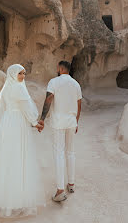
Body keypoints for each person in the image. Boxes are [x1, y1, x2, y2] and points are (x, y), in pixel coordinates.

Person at [0, 64, 45, 217]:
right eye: (20, 73)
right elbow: (26, 107)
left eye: (24, 73)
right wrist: (35, 123)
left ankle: (1, 198)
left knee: (6, 157)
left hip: (7, 122)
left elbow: (2, 108)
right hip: (17, 123)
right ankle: (16, 201)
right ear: (13, 74)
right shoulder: (19, 88)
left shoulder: (7, 88)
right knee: (17, 157)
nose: (23, 76)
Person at [38, 61, 82, 202]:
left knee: (58, 154)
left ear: (60, 68)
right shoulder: (76, 84)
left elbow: (49, 99)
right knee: (70, 152)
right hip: (71, 121)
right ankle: (71, 183)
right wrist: (76, 121)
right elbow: (79, 104)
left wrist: (42, 119)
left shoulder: (54, 82)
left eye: (57, 67)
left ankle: (60, 190)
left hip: (58, 122)